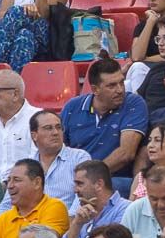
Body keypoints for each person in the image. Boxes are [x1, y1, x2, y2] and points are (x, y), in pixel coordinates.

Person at [61, 58, 149, 187]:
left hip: (113, 179)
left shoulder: (133, 103)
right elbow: (60, 149)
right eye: (111, 86)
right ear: (95, 89)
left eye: (121, 83)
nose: (120, 90)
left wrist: (90, 178)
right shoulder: (72, 107)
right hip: (75, 178)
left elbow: (126, 153)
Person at [58, 161, 129, 238]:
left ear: (99, 185)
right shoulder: (82, 211)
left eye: (80, 184)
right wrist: (77, 224)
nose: (75, 190)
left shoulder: (125, 209)